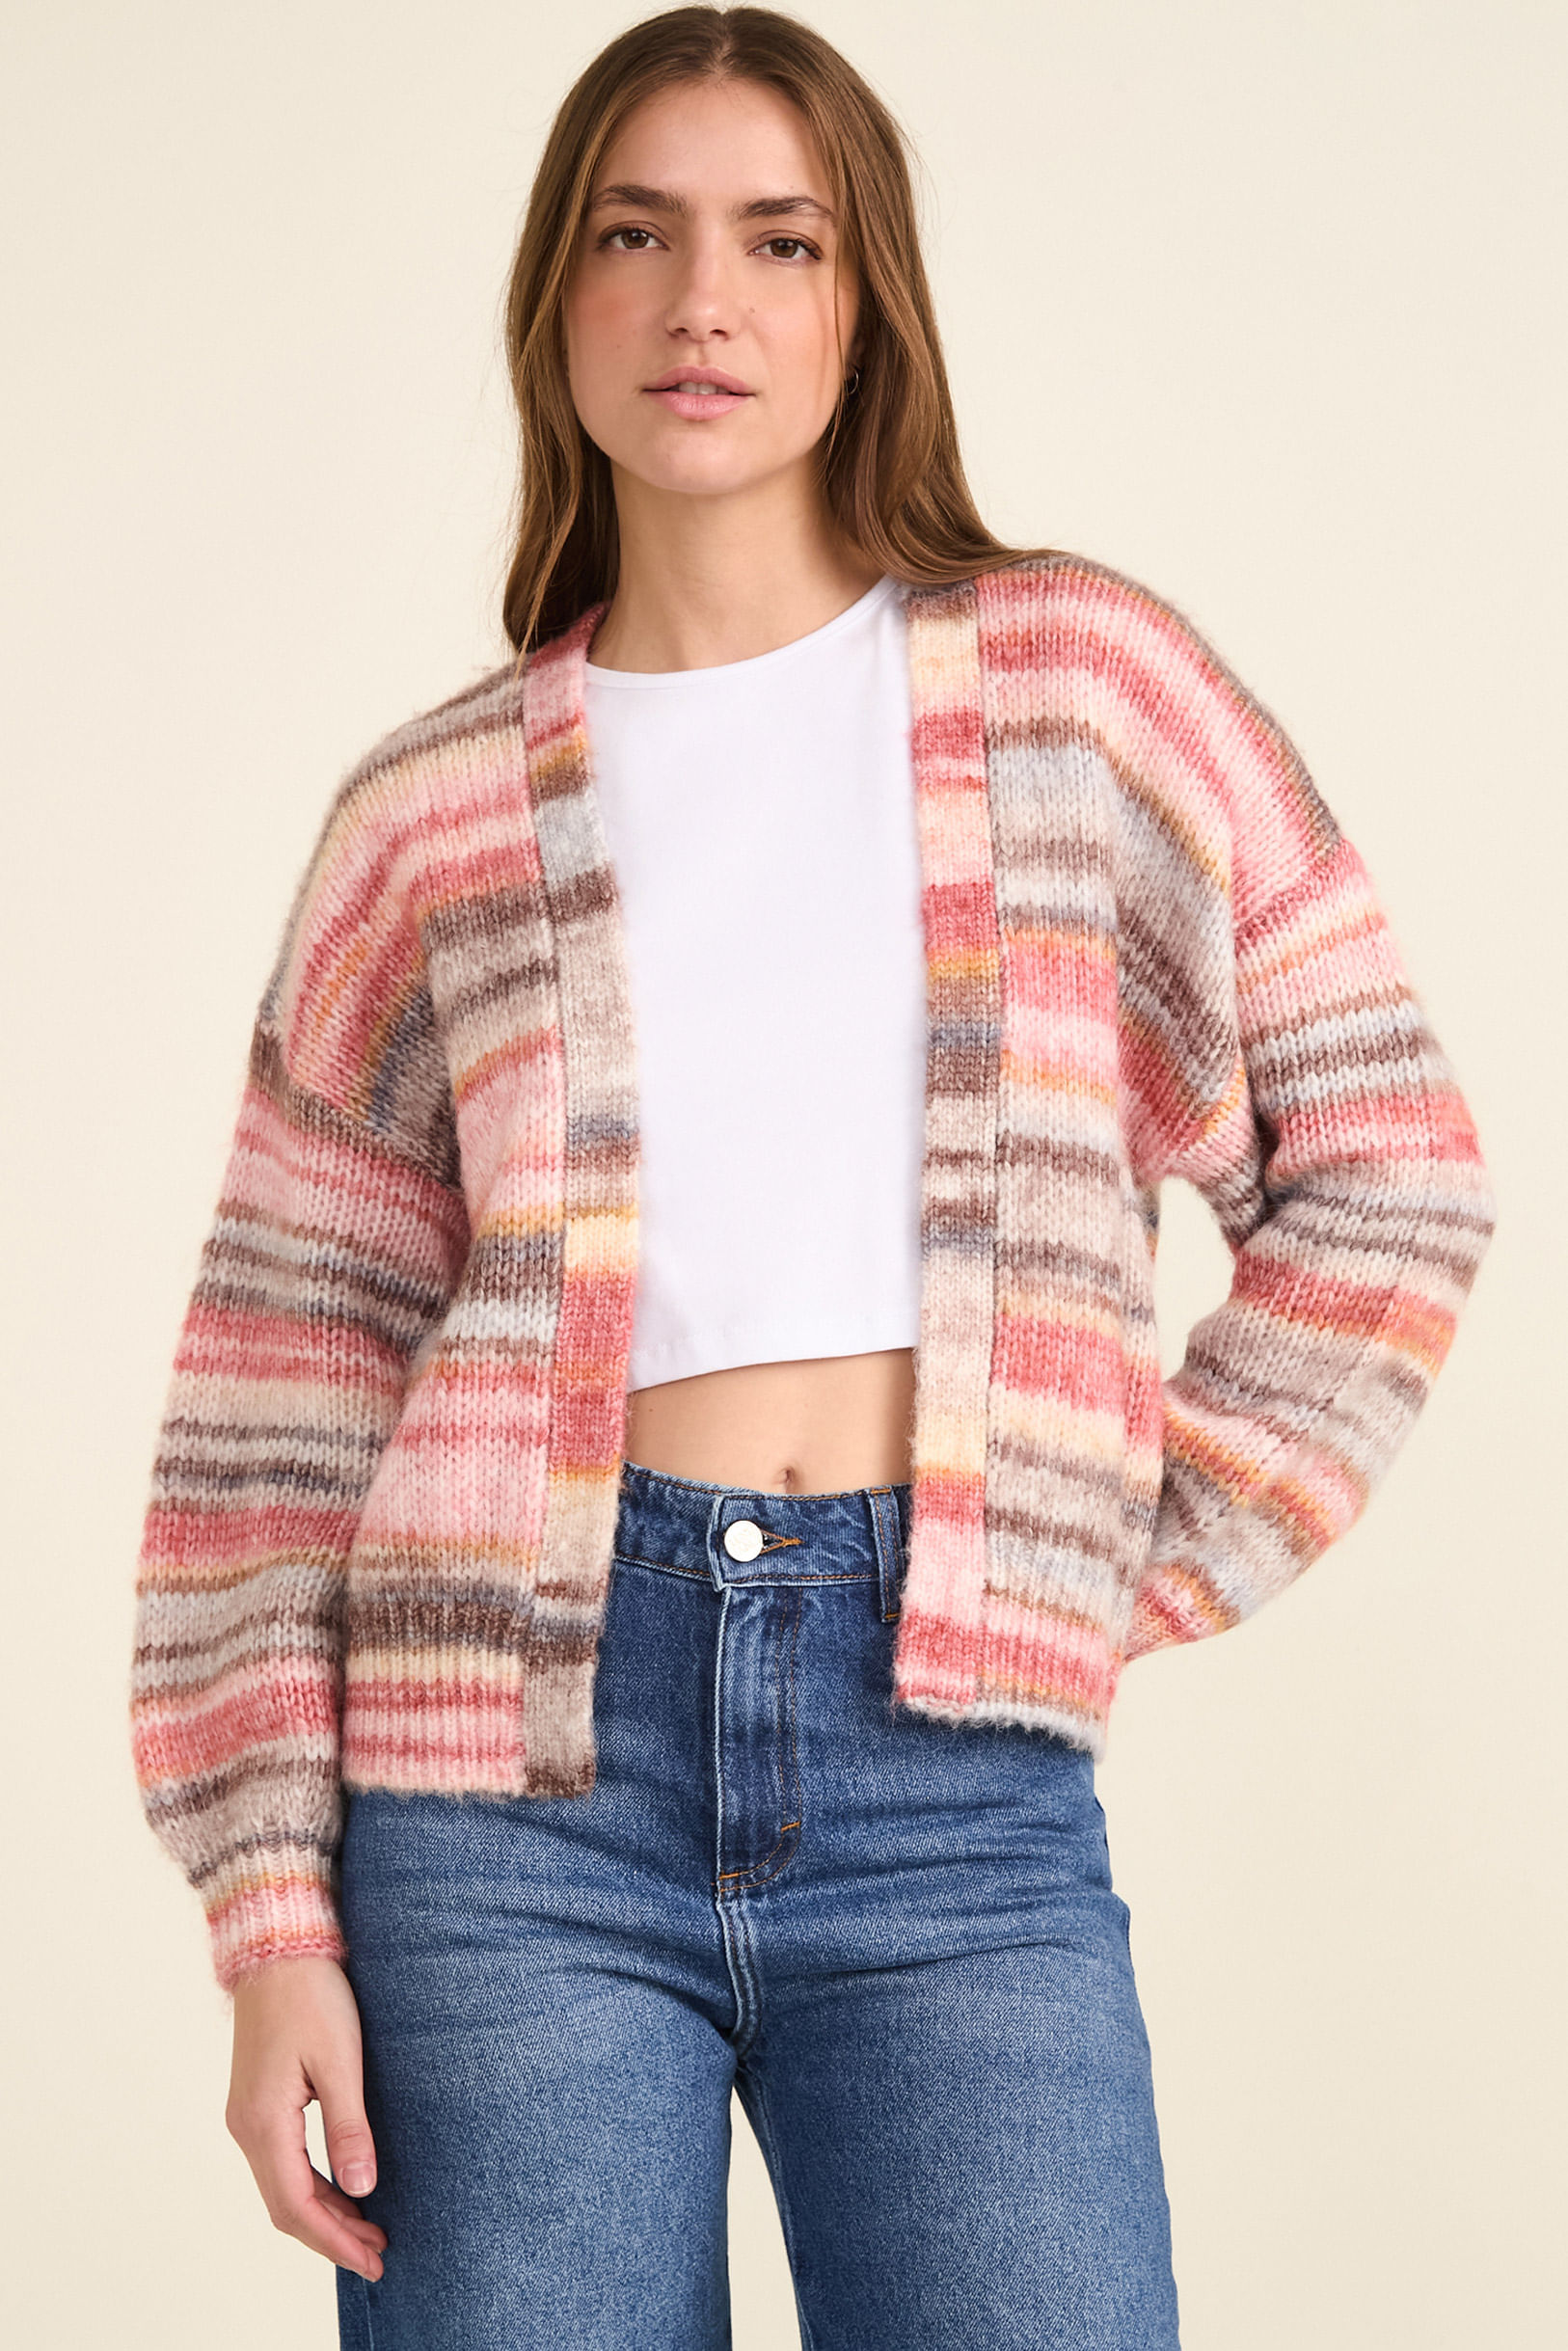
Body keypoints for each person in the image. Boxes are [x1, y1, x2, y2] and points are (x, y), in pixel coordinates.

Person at [127, 9, 1496, 2346]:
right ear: (556, 297)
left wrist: (1103, 1549)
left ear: (869, 309)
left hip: (953, 1789)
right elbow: (278, 1409)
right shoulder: (425, 820)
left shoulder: (1087, 696)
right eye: (634, 237)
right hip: (498, 1808)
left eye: (781, 241)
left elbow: (1393, 1174)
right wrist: (273, 1925)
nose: (703, 304)